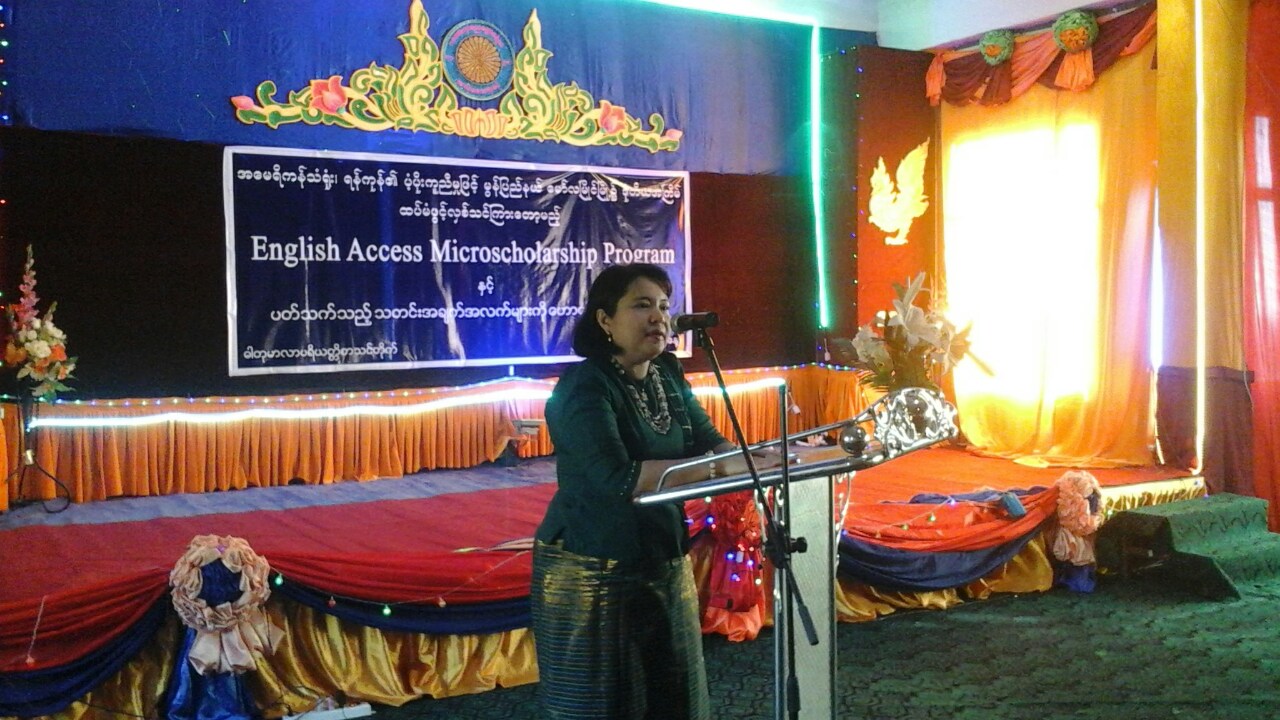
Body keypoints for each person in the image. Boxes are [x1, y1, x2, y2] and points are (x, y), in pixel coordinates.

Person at [530, 263, 771, 719]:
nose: (659, 317)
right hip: (593, 566)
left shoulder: (666, 373)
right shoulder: (583, 386)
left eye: (663, 305)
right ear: (605, 320)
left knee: (674, 694)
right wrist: (715, 467)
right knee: (604, 705)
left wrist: (766, 461)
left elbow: (708, 440)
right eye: (642, 306)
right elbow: (615, 478)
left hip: (662, 554)